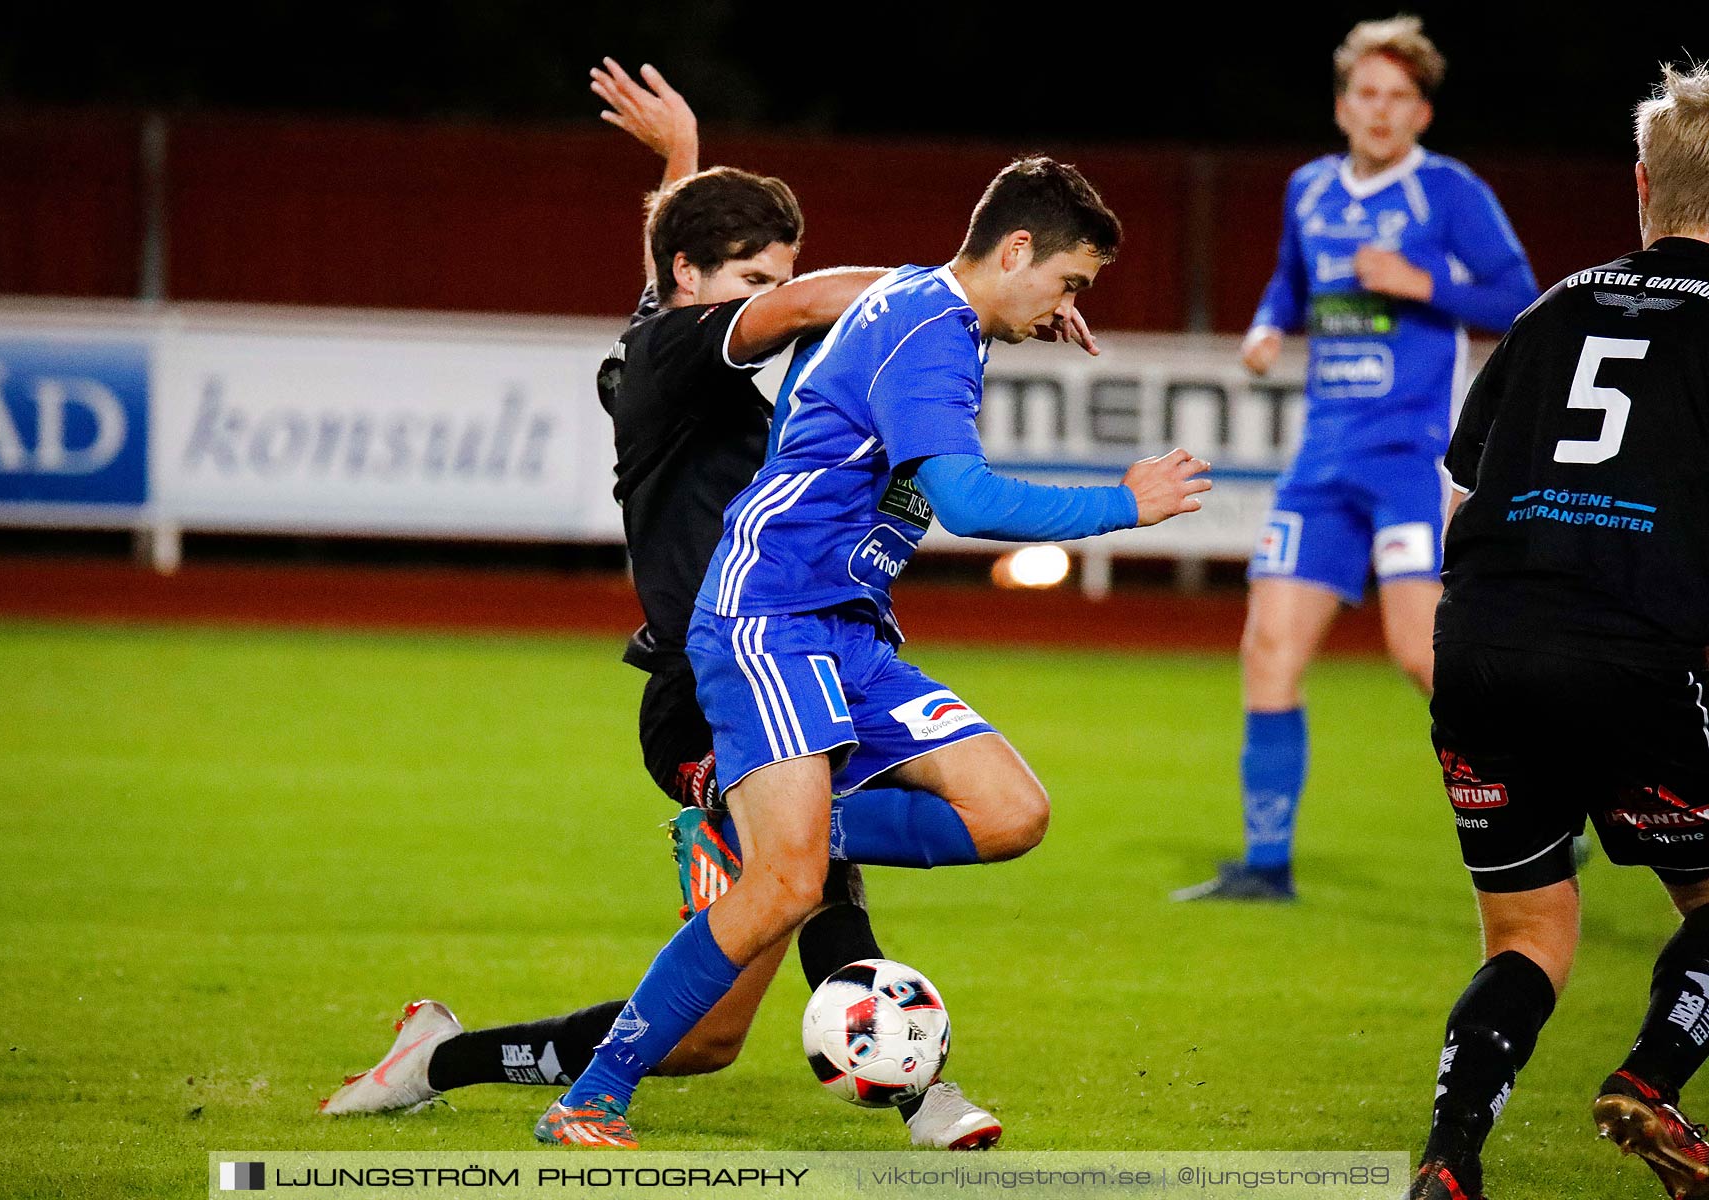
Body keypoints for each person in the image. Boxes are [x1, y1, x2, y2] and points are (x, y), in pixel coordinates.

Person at [318, 59, 1008, 1149]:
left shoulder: (679, 332)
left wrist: (682, 163)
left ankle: (440, 1057)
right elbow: (797, 301)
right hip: (702, 685)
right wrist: (966, 294)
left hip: (784, 654)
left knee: (710, 1038)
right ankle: (926, 1104)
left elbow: (678, 269)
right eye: (752, 276)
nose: (773, 296)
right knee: (817, 870)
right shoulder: (680, 353)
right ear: (696, 279)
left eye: (775, 270)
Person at [532, 155, 1213, 1147]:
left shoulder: (931, 310)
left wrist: (1019, 312)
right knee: (785, 889)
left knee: (1010, 811)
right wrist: (1127, 503)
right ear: (1014, 249)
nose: (1069, 304)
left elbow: (868, 303)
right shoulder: (931, 330)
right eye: (1068, 280)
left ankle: (775, 827)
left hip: (847, 627)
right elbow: (971, 504)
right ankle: (594, 1094)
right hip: (769, 618)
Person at [1400, 61, 1709, 1200]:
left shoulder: (1551, 308)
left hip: (1480, 647)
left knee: (1528, 932)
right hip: (1633, 656)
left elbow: (1463, 494)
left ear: (1641, 184)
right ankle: (1654, 1078)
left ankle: (1451, 1157)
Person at [1174, 16, 1539, 903]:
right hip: (1323, 461)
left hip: (1410, 458)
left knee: (1421, 654)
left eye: (1399, 97)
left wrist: (1426, 284)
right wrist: (1268, 325)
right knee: (1267, 650)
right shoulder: (1310, 189)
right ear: (1343, 108)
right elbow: (1292, 283)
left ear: (1422, 112)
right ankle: (1266, 868)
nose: (1381, 111)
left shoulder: (1449, 192)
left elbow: (1523, 296)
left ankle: (1541, 815)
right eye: (1366, 94)